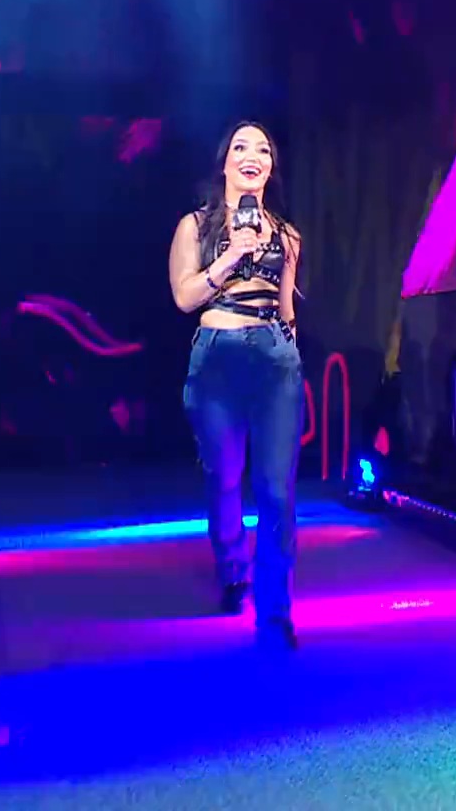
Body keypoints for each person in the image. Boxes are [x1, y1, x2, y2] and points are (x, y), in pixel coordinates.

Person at [166, 121, 304, 649]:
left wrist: (290, 353)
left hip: (274, 358)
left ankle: (275, 612)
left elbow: (286, 308)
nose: (253, 156)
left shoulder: (287, 236)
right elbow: (184, 297)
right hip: (217, 355)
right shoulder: (195, 226)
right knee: (224, 476)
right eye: (242, 147)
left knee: (276, 488)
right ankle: (232, 570)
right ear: (225, 163)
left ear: (270, 167)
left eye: (263, 149)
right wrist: (228, 259)